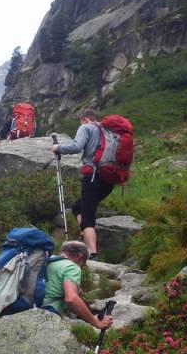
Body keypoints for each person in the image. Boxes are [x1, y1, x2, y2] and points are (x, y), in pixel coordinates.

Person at [51, 108, 114, 260]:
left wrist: (58, 148)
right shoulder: (108, 130)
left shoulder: (86, 127)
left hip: (93, 176)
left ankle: (92, 253)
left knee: (87, 215)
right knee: (78, 207)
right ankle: (84, 235)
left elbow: (76, 147)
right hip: (110, 179)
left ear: (85, 119)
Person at [43, 241, 114, 330]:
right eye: (83, 265)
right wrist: (96, 323)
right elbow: (71, 298)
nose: (81, 267)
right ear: (79, 257)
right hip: (46, 314)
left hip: (27, 308)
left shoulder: (47, 259)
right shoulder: (72, 267)